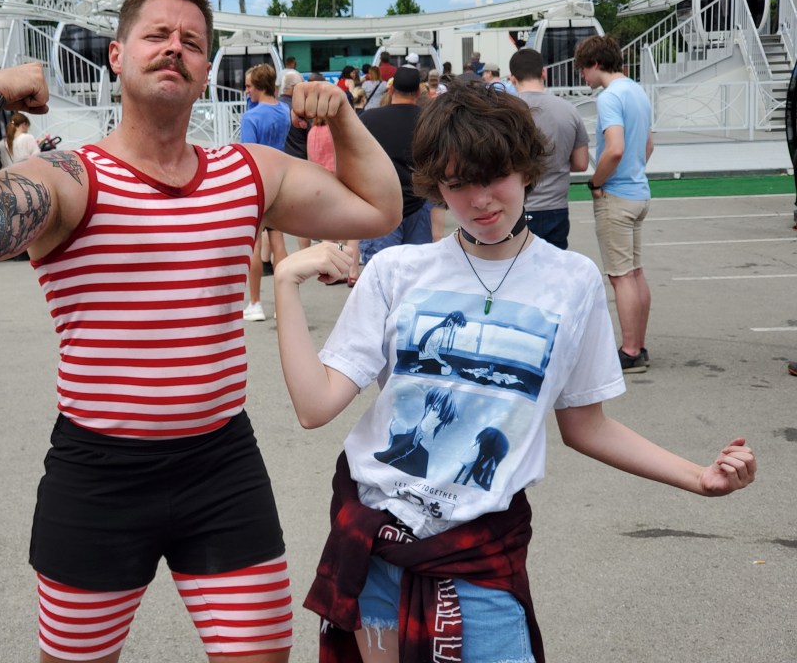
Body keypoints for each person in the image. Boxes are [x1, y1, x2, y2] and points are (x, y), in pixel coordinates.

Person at [0, 0, 402, 663]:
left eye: (192, 42)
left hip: (220, 465)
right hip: (98, 474)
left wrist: (343, 117)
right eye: (157, 35)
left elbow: (379, 209)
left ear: (206, 71)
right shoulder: (72, 178)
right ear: (117, 55)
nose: (175, 48)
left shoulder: (247, 174)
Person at [271, 81, 756, 663]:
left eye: (495, 176)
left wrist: (698, 477)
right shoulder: (396, 271)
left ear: (525, 168)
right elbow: (314, 406)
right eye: (458, 183)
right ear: (437, 186)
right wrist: (285, 283)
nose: (480, 200)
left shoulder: (572, 281)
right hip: (374, 542)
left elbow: (587, 426)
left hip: (481, 553)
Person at [575, 34, 654, 375]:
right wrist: (633, 171)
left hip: (617, 196)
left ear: (595, 64)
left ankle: (630, 350)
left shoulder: (609, 98)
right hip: (639, 192)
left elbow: (615, 149)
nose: (583, 77)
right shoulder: (637, 91)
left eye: (583, 69)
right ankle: (640, 344)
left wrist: (596, 182)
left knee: (621, 277)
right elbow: (648, 146)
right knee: (635, 273)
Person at [355, 65, 433, 285]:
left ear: (391, 90)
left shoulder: (369, 119)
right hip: (419, 203)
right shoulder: (428, 120)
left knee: (381, 278)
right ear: (418, 92)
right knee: (417, 277)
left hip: (380, 204)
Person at [508, 48, 589, 249]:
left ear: (512, 78)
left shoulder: (506, 112)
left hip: (516, 206)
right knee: (554, 264)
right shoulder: (569, 109)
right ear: (543, 72)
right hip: (555, 206)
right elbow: (581, 163)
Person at [241, 62, 292, 322]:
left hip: (259, 183)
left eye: (249, 86)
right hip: (281, 181)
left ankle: (255, 302)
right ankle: (283, 302)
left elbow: (248, 154)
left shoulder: (251, 117)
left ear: (258, 86)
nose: (247, 90)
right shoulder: (284, 110)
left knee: (255, 245)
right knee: (279, 244)